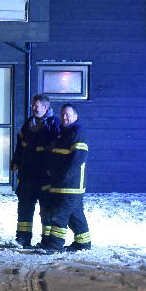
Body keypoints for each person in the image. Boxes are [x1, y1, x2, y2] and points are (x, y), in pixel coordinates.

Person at [11, 94, 61, 248]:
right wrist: (15, 161)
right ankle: (23, 238)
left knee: (46, 208)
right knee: (25, 206)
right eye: (33, 105)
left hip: (44, 175)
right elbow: (20, 145)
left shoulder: (54, 124)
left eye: (36, 106)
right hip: (27, 173)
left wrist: (51, 170)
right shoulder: (28, 123)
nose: (33, 108)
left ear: (45, 108)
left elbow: (57, 150)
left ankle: (46, 240)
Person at [43, 104, 91, 252]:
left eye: (68, 115)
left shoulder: (78, 133)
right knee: (74, 214)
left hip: (71, 184)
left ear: (75, 117)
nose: (64, 117)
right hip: (62, 183)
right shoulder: (63, 133)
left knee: (60, 214)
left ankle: (55, 245)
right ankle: (83, 242)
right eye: (63, 114)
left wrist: (63, 176)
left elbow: (77, 160)